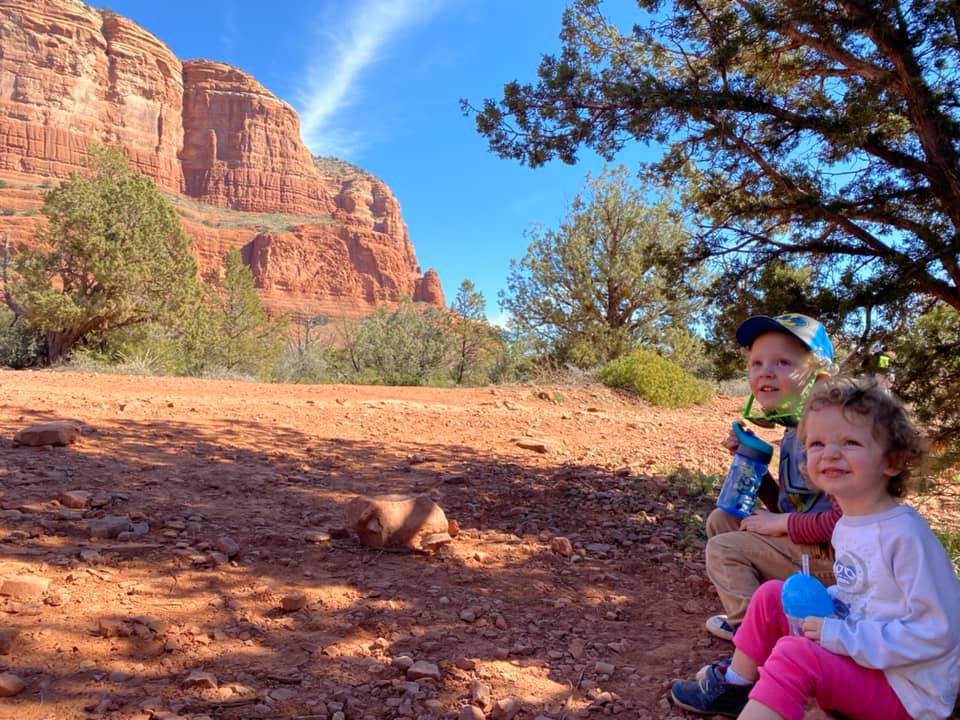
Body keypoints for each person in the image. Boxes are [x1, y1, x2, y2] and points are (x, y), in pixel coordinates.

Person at [672, 377, 960, 719]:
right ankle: (737, 685)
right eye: (817, 443)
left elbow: (937, 632)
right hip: (864, 657)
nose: (830, 453)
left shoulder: (904, 535)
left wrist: (840, 634)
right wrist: (834, 604)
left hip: (906, 689)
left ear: (892, 461)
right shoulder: (850, 523)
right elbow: (865, 593)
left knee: (796, 654)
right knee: (772, 596)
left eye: (850, 441)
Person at [705, 313, 839, 642]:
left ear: (818, 378)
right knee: (723, 520)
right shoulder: (796, 429)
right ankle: (765, 618)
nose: (766, 371)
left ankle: (758, 644)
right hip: (809, 548)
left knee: (725, 549)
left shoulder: (829, 433)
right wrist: (755, 470)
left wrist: (781, 525)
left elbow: (846, 520)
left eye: (782, 362)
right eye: (757, 363)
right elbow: (793, 505)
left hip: (837, 562)